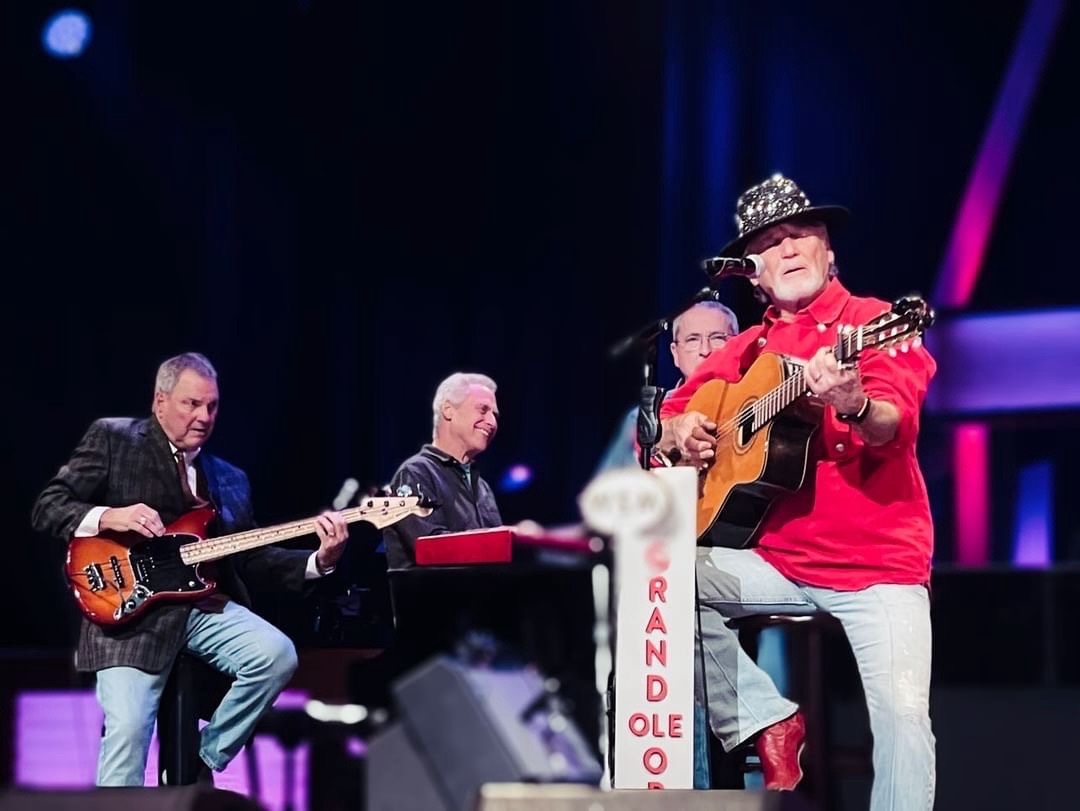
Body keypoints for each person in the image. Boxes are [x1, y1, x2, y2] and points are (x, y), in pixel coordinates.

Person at [658, 174, 936, 809]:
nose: (787, 250)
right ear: (753, 274)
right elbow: (673, 410)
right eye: (771, 243)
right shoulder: (750, 346)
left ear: (828, 251)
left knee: (903, 723)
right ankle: (762, 720)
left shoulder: (874, 322)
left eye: (801, 236)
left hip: (878, 566)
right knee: (657, 577)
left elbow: (894, 421)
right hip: (780, 561)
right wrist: (681, 431)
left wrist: (855, 401)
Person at [31, 352, 349, 786]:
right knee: (127, 733)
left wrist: (319, 561)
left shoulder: (229, 478)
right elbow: (49, 507)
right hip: (128, 615)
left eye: (212, 406)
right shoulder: (114, 439)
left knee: (276, 657)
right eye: (191, 404)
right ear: (160, 402)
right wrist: (109, 516)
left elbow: (250, 560)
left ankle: (199, 762)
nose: (203, 416)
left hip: (202, 609)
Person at [595, 297, 739, 473]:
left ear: (738, 344)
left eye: (717, 338)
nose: (705, 350)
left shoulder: (750, 399)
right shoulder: (644, 418)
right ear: (675, 354)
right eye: (693, 340)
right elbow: (609, 488)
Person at [382, 371, 503, 570]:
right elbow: (433, 549)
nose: (492, 422)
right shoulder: (415, 474)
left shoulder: (482, 487)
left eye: (495, 414)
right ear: (448, 410)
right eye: (483, 410)